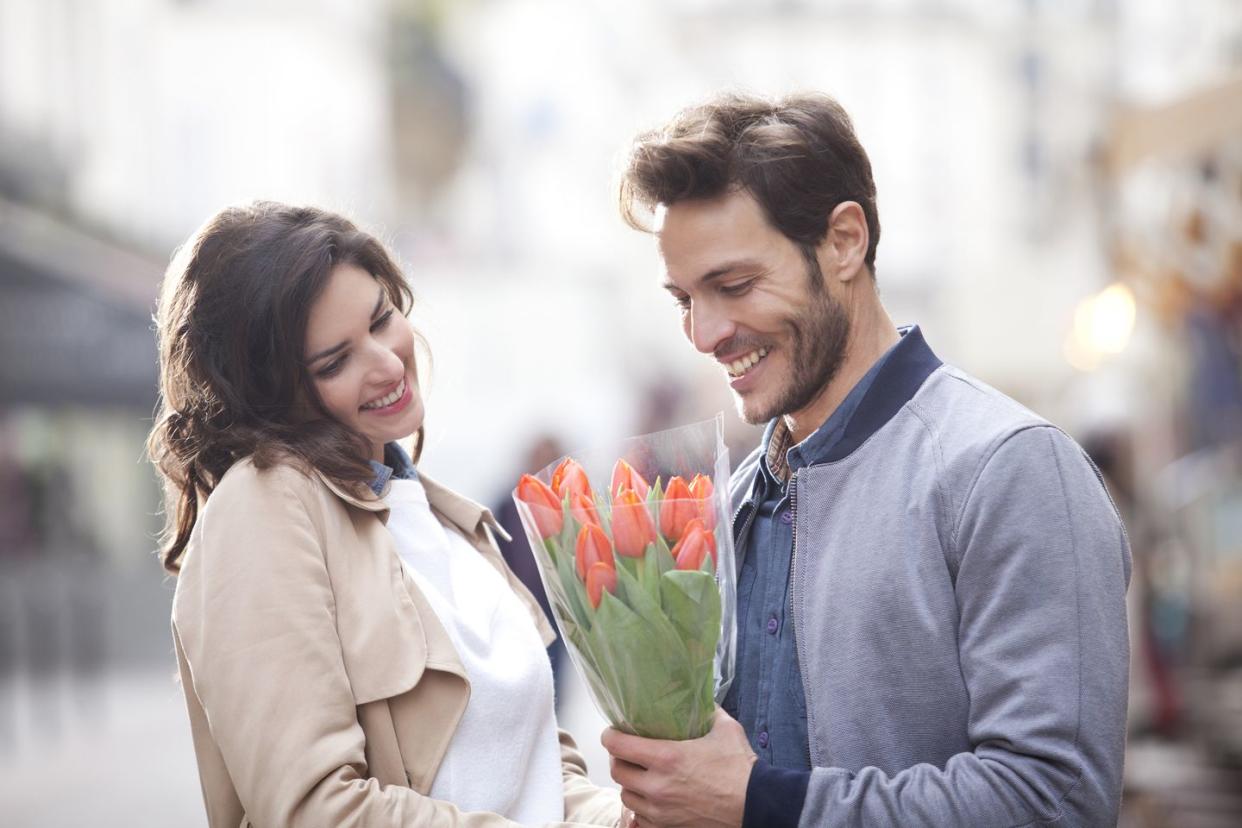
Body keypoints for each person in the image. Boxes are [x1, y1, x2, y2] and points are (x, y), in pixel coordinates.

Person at [600, 93, 1131, 827]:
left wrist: (761, 802)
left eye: (734, 285)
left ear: (845, 241)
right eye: (683, 299)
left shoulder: (1010, 469)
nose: (704, 332)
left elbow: (1055, 801)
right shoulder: (740, 498)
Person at [147, 202, 621, 827]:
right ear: (268, 391)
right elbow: (316, 809)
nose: (389, 364)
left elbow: (538, 769)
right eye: (335, 361)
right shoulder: (262, 506)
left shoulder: (439, 514)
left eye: (381, 320)